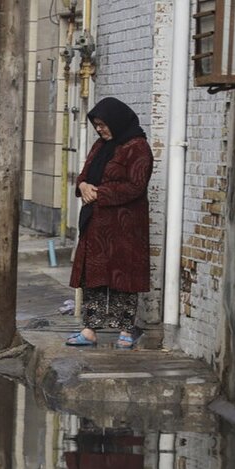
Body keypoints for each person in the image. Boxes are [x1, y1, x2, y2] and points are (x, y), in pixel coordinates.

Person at [66, 97, 154, 350]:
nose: (100, 129)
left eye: (103, 125)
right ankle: (89, 329)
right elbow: (84, 174)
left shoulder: (138, 147)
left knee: (123, 278)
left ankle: (126, 330)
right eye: (96, 125)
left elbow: (135, 186)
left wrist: (100, 194)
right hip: (96, 224)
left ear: (116, 121)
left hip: (125, 227)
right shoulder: (100, 146)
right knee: (93, 276)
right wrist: (83, 186)